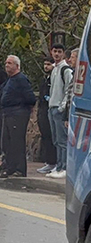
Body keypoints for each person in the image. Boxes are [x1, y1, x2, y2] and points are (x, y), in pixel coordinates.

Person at [0, 55, 37, 178]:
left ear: (17, 66)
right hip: (8, 113)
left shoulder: (21, 79)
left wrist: (20, 106)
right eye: (6, 63)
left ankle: (19, 168)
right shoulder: (10, 79)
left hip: (17, 114)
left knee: (16, 142)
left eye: (10, 63)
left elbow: (30, 98)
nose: (7, 65)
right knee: (7, 142)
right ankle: (9, 165)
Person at [47, 43, 71, 179]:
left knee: (62, 139)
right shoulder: (55, 69)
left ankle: (64, 167)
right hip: (52, 107)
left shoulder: (65, 70)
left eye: (59, 52)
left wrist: (62, 106)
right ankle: (59, 164)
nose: (56, 54)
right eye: (55, 51)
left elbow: (69, 89)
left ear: (63, 54)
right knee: (56, 139)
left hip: (59, 108)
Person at [37, 57, 58, 174]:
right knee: (45, 136)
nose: (46, 67)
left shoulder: (54, 79)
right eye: (45, 64)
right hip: (43, 109)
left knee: (52, 137)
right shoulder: (45, 79)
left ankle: (53, 162)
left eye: (48, 64)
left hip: (50, 108)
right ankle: (48, 161)